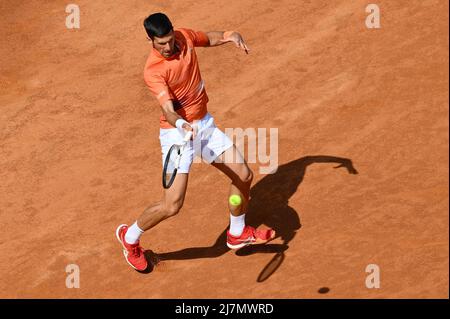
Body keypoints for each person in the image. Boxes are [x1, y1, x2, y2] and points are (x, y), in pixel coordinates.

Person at [116, 12, 275, 271]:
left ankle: (237, 232)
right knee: (172, 205)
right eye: (161, 44)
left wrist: (228, 36)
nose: (168, 47)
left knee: (244, 175)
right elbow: (168, 109)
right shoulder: (153, 71)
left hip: (205, 126)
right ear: (150, 41)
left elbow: (207, 38)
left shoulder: (184, 37)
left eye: (169, 40)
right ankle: (130, 238)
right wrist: (180, 124)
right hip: (177, 135)